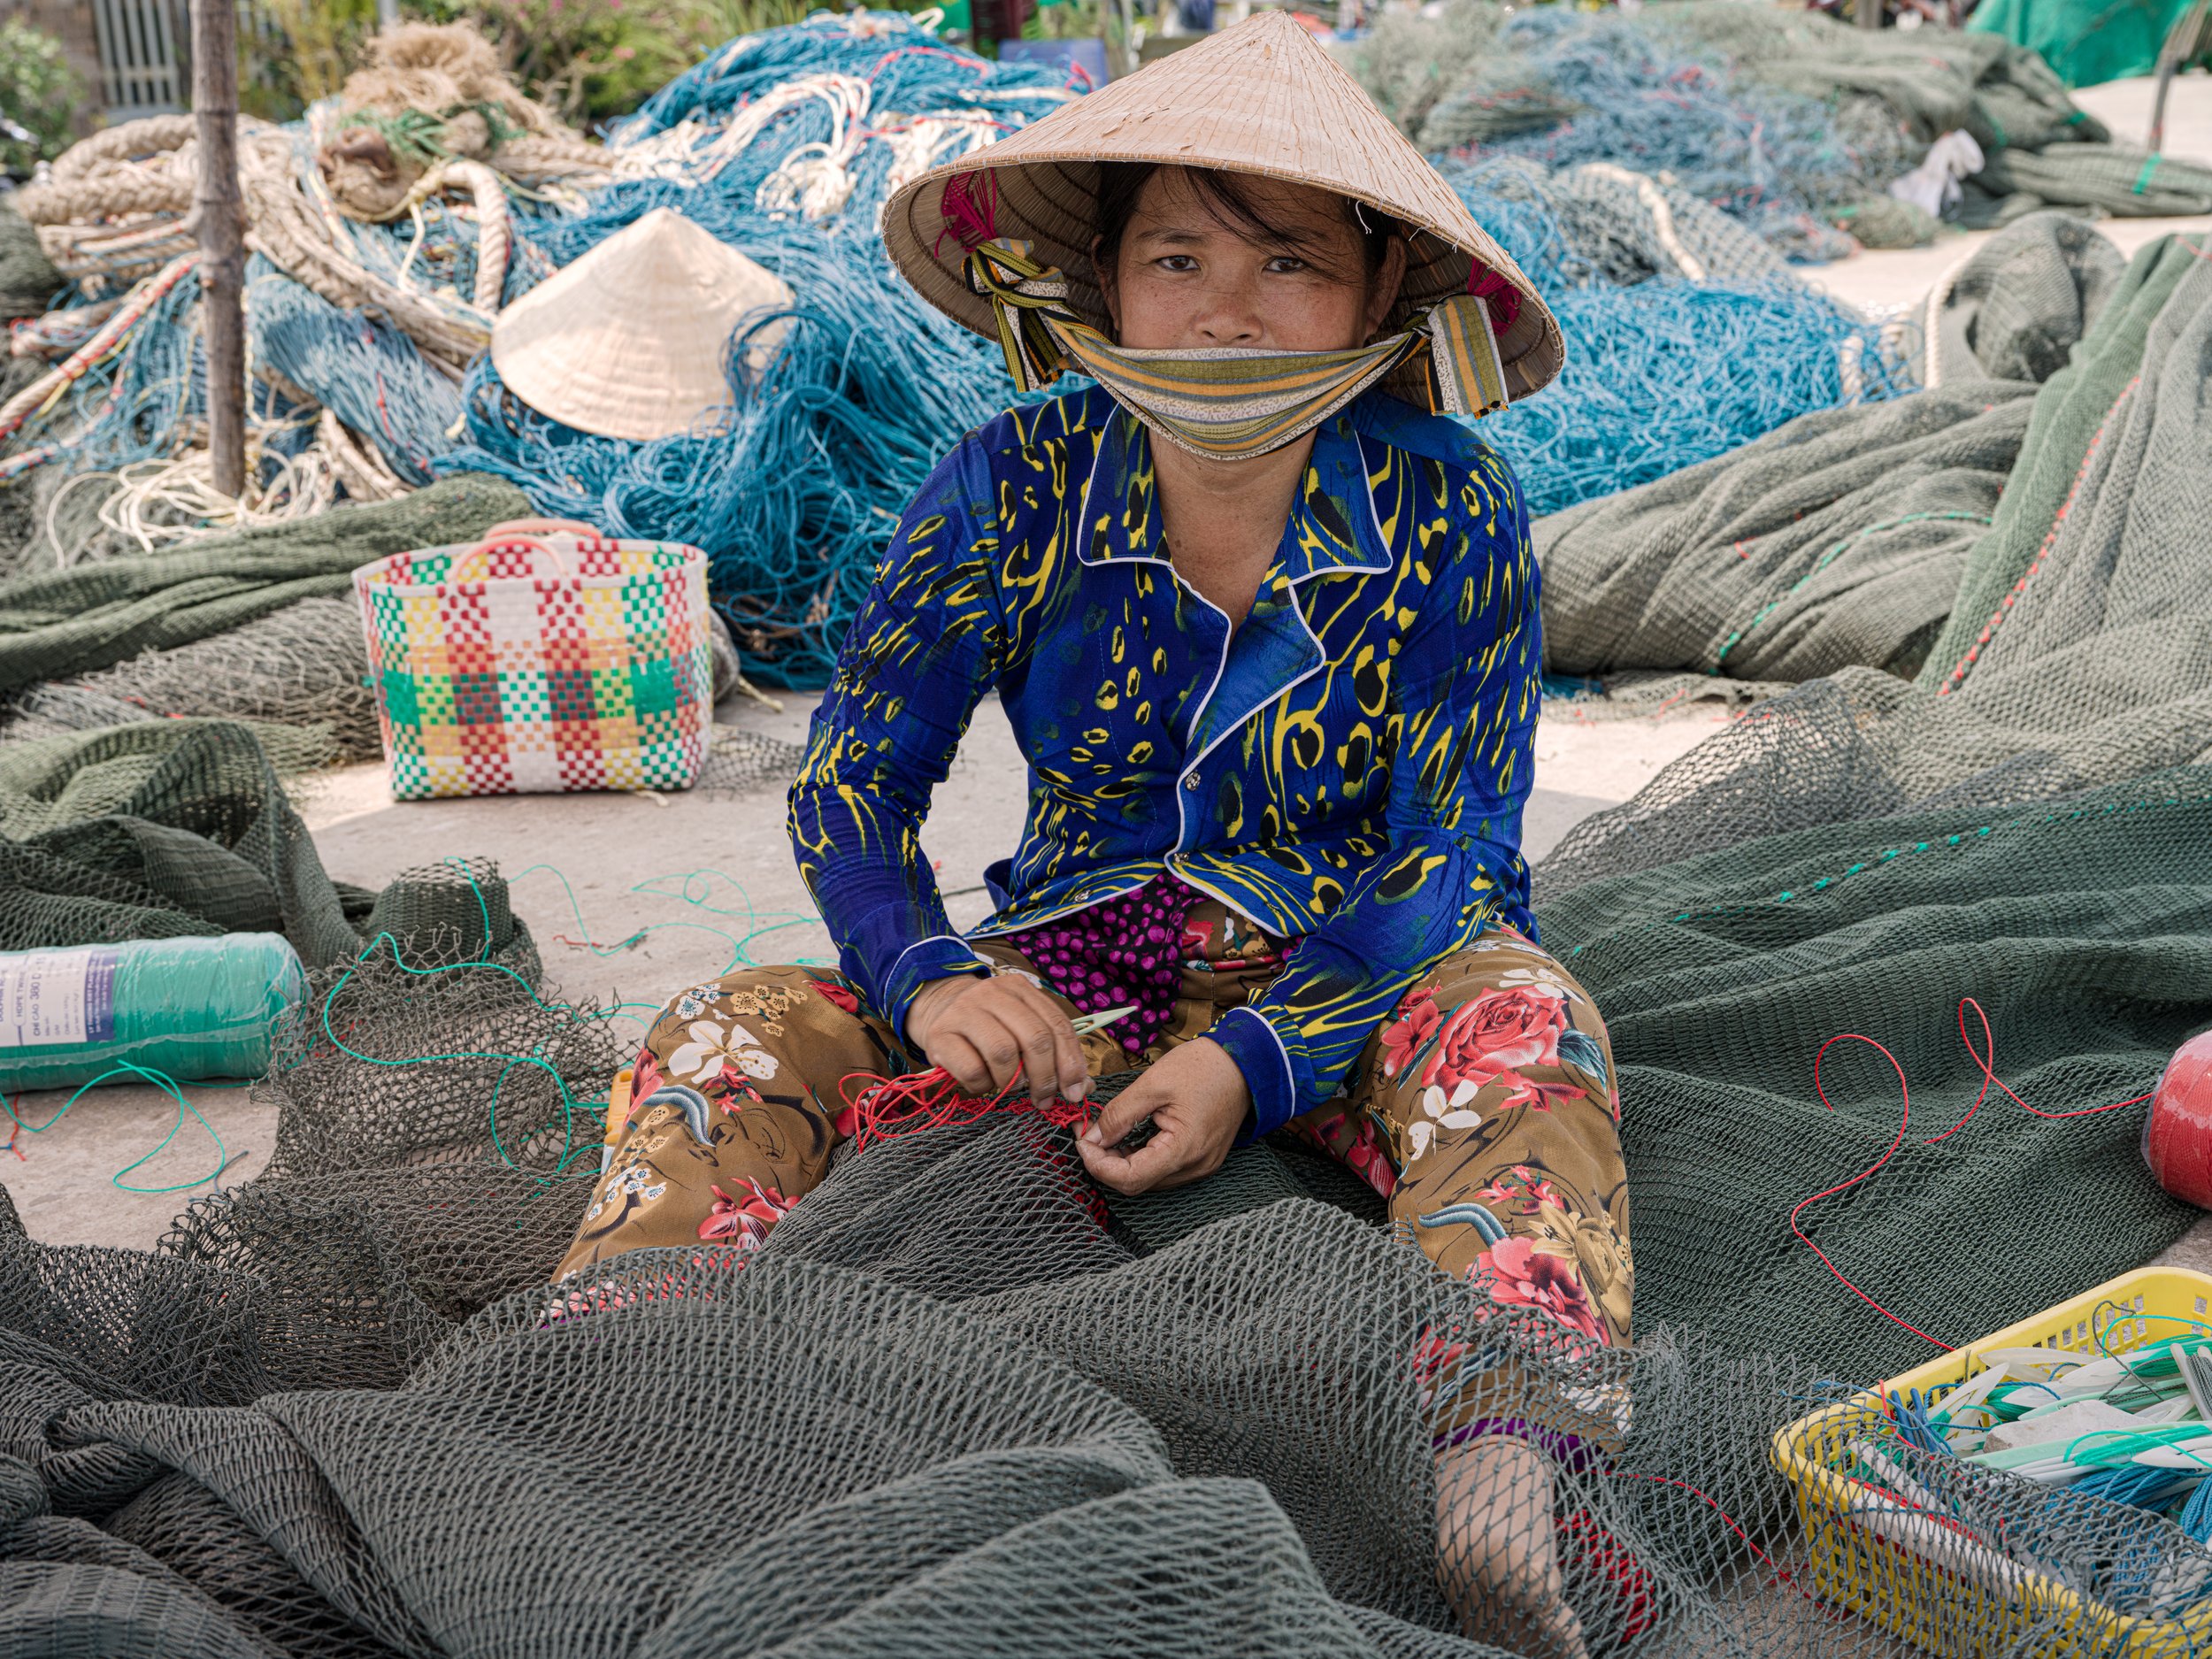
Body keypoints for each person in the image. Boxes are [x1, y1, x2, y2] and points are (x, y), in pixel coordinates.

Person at [554, 15, 1625, 1647]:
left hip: (1355, 971)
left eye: (1288, 266)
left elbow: (1456, 849)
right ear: (1105, 284)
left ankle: (1499, 1472)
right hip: (1073, 979)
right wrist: (922, 979)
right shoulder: (1010, 481)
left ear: (1379, 302)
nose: (1223, 311)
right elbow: (854, 780)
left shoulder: (1449, 504)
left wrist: (1258, 1058)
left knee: (1530, 1025)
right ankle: (612, 1405)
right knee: (727, 1027)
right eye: (1176, 256)